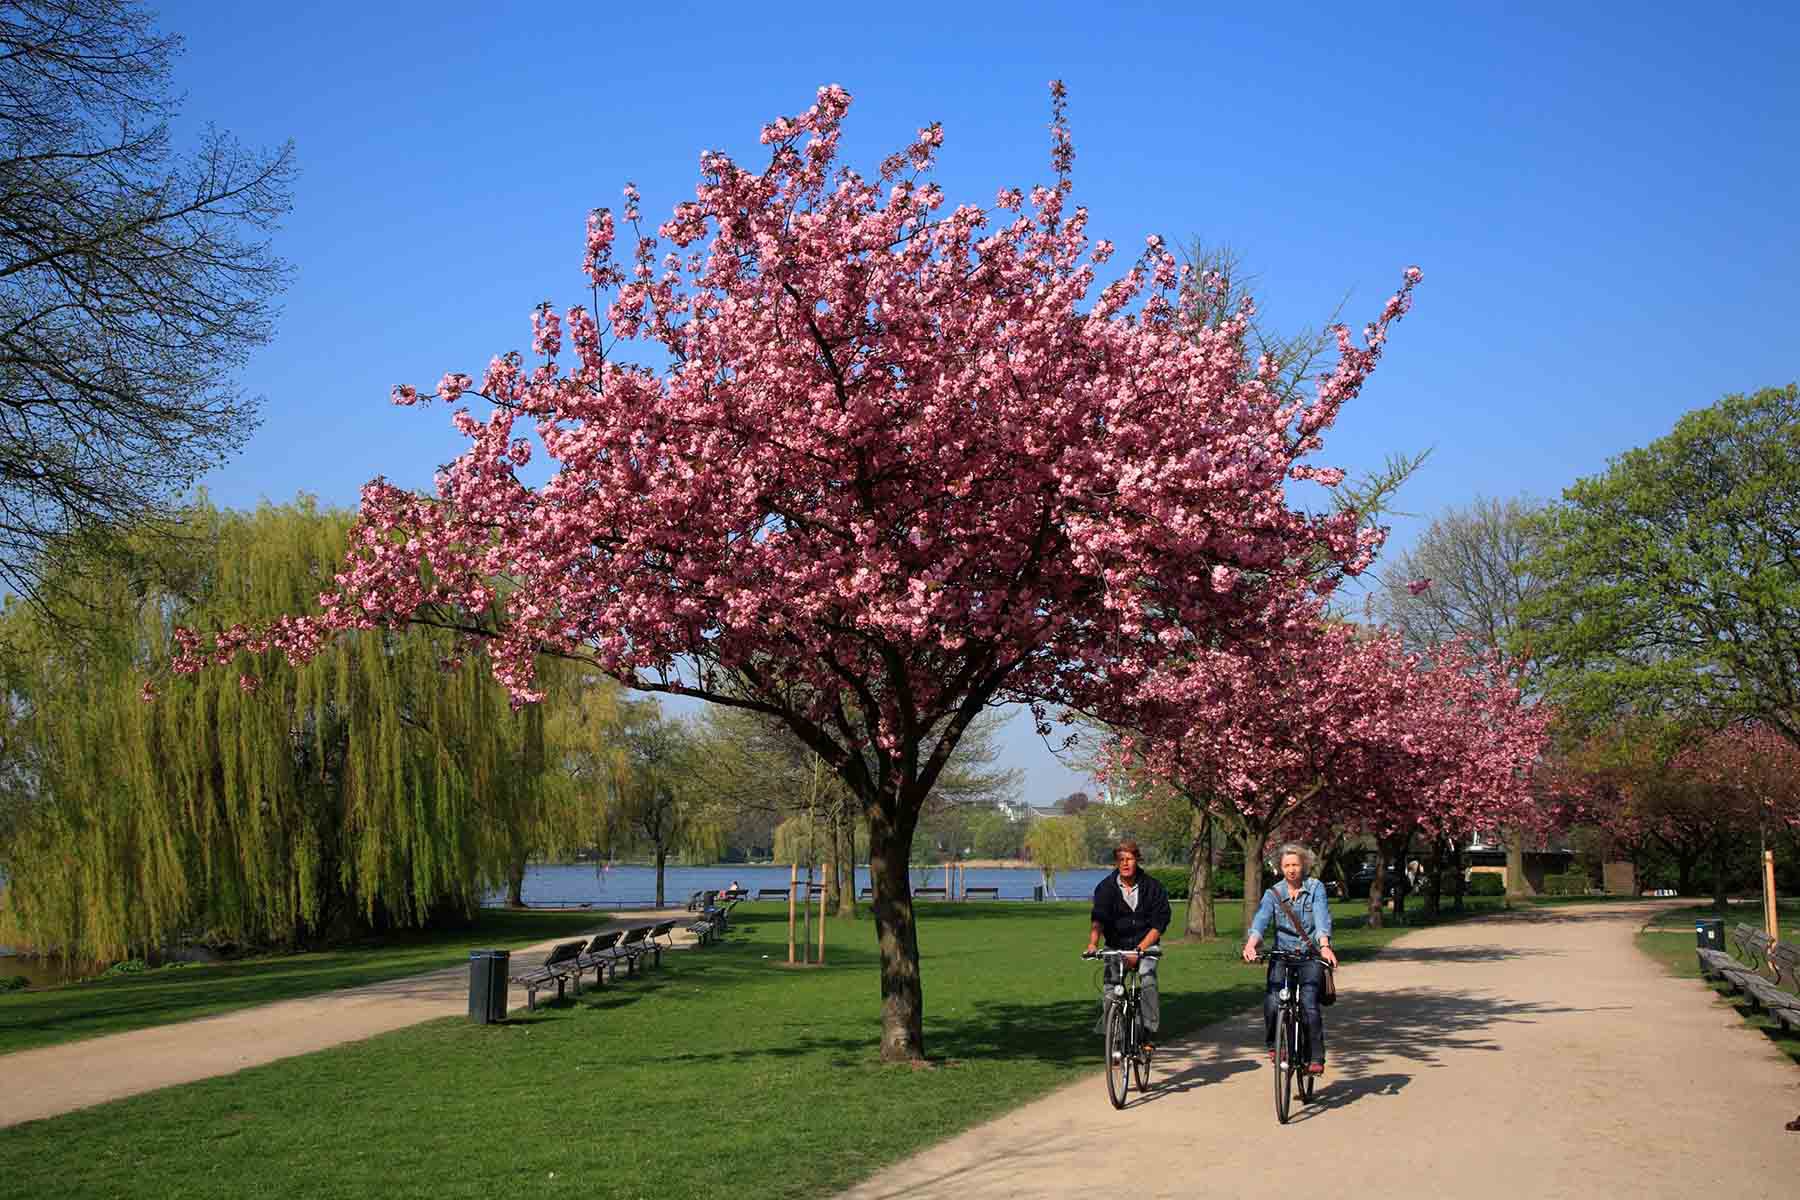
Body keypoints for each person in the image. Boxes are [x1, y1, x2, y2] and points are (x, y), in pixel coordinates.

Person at [1243, 843, 1339, 1075]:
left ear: (1303, 865)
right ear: (1280, 868)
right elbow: (1261, 920)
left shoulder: (1315, 888)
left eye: (1295, 864)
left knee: (1308, 1005)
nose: (1291, 869)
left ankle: (1316, 1057)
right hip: (1282, 956)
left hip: (1310, 956)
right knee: (1273, 1002)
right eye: (1287, 865)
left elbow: (1321, 916)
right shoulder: (1273, 893)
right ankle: (1274, 1046)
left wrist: (1324, 946)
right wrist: (1251, 944)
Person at [1085, 840, 1171, 1053]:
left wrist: (1140, 949)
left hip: (1146, 947)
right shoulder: (1105, 888)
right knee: (1109, 988)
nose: (1125, 864)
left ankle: (1148, 1033)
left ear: (1137, 860)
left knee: (1148, 979)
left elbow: (1159, 924)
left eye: (1130, 859)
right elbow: (1099, 918)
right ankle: (1115, 1039)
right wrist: (1093, 943)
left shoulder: (1153, 887)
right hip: (1117, 947)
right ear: (1117, 862)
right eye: (1121, 860)